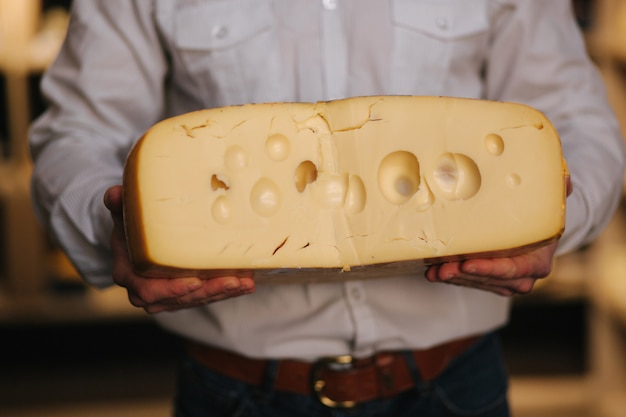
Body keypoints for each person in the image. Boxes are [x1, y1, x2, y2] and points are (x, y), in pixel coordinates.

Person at [29, 1, 624, 416]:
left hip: (454, 385)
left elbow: (583, 126)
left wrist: (558, 216)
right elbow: (74, 135)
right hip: (235, 393)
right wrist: (104, 223)